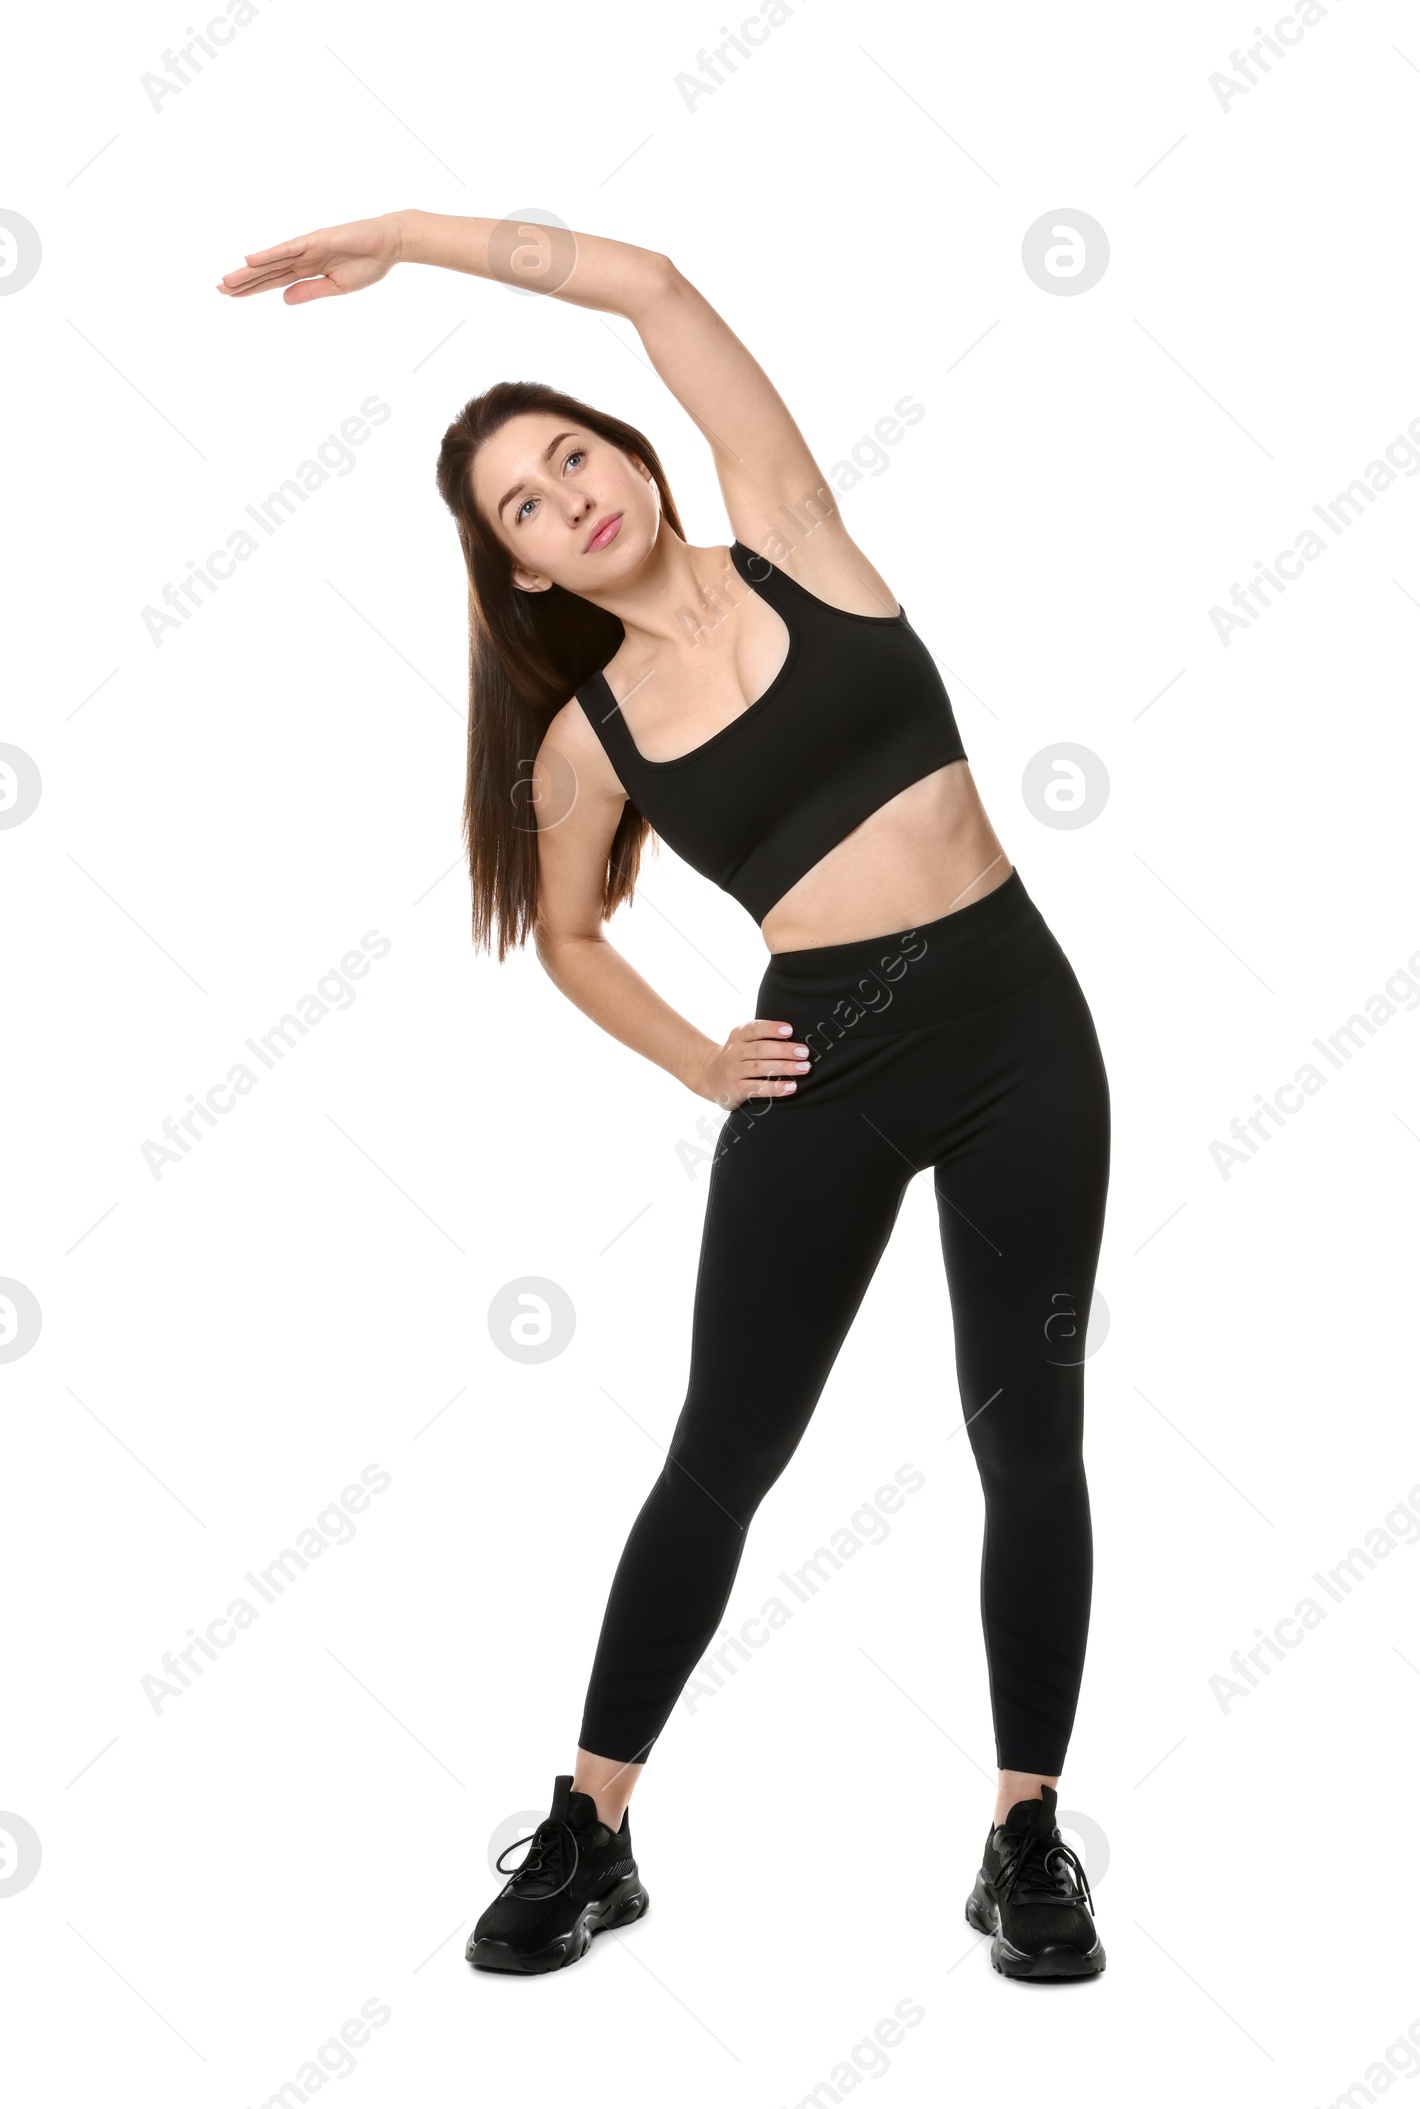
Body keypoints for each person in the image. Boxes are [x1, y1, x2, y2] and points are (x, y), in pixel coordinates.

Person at [218, 209, 1112, 1983]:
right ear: (526, 571)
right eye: (526, 509)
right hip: (823, 1065)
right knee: (727, 1448)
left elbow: (643, 286)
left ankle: (1026, 1832)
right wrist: (704, 1055)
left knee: (1028, 1436)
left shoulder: (793, 535)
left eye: (573, 454)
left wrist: (404, 238)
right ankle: (591, 1823)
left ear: (632, 451)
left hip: (1020, 1026)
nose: (568, 495)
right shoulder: (588, 737)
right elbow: (561, 929)